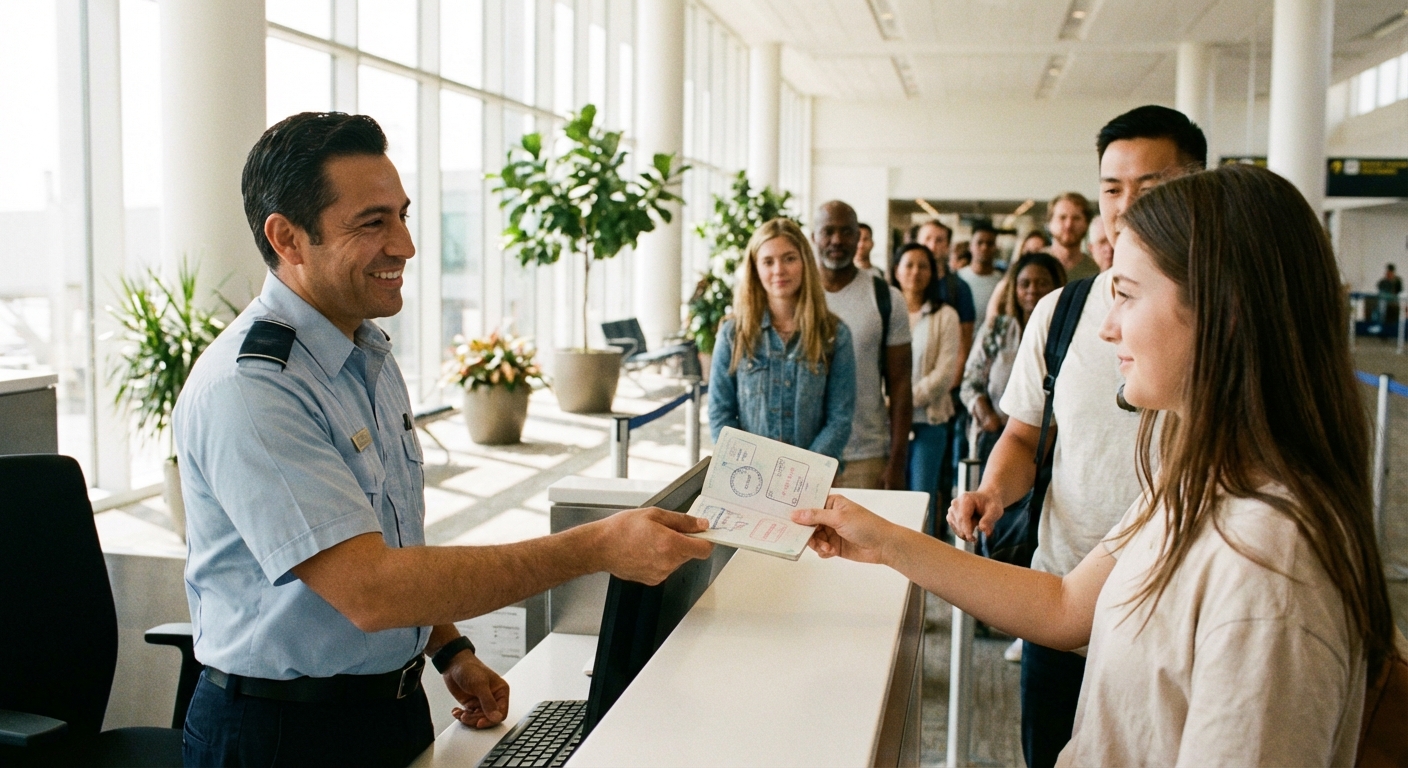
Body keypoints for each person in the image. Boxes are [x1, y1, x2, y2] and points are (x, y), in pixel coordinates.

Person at [793, 164, 1394, 767]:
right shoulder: (1190, 480)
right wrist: (889, 543)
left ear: (1222, 311)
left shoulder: (1270, 569)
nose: (1106, 327)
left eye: (1127, 295)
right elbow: (1063, 606)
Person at [175, 112, 714, 767]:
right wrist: (595, 545)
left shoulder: (363, 352)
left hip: (391, 710)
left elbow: (392, 541)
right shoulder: (256, 388)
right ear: (288, 237)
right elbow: (371, 589)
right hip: (283, 737)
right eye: (372, 222)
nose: (404, 245)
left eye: (402, 216)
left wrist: (450, 650)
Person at [948, 104, 1208, 768]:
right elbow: (1023, 438)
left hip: (1176, 615)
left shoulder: (1223, 320)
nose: (1125, 208)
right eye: (1112, 189)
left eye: (1151, 188)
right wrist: (994, 492)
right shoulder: (1061, 312)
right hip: (1062, 600)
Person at [709, 218, 856, 460]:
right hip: (748, 479)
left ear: (805, 263)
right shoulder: (733, 333)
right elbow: (720, 414)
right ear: (755, 268)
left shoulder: (833, 334)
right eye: (768, 261)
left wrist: (802, 471)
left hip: (810, 481)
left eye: (789, 258)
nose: (779, 270)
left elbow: (840, 418)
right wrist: (749, 465)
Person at [813, 200, 913, 490]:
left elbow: (901, 384)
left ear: (859, 237)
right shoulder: (795, 296)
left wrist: (896, 462)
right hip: (802, 454)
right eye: (828, 231)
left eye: (846, 232)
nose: (837, 240)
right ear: (813, 237)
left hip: (867, 455)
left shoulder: (885, 297)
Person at [961, 253, 1065, 466]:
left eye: (1042, 283)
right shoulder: (997, 329)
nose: (1032, 290)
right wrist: (988, 417)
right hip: (995, 435)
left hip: (1052, 441)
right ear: (1014, 288)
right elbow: (971, 383)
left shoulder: (1067, 334)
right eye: (1024, 283)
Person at [890, 242, 961, 534]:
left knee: (922, 501)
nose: (915, 272)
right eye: (908, 264)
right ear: (896, 270)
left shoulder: (946, 316)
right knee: (891, 503)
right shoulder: (887, 313)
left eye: (923, 266)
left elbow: (944, 374)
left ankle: (922, 577)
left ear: (933, 273)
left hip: (927, 423)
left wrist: (901, 401)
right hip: (888, 424)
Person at [959, 223, 1005, 333]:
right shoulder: (958, 279)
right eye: (979, 243)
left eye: (990, 244)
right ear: (971, 246)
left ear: (995, 247)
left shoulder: (1002, 283)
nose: (984, 247)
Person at [1047, 192, 1099, 281]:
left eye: (1076, 218)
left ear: (1086, 224)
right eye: (1062, 217)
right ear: (1050, 223)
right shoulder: (1033, 265)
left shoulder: (1095, 270)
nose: (1069, 225)